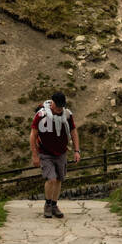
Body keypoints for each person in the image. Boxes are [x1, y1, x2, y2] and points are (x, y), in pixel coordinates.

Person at [30, 90, 80, 218]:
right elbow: (33, 135)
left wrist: (76, 150)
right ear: (52, 103)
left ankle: (54, 204)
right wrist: (35, 155)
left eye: (61, 106)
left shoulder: (67, 115)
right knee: (51, 179)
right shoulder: (41, 115)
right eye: (57, 106)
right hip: (45, 153)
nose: (59, 109)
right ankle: (47, 205)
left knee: (59, 179)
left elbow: (73, 132)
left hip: (61, 152)